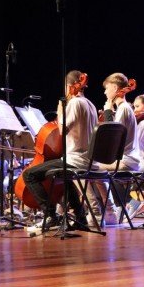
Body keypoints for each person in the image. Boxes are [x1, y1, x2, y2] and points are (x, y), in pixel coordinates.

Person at [21, 70, 97, 231]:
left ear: (69, 86)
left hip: (75, 159)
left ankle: (50, 216)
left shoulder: (75, 103)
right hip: (87, 160)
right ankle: (80, 217)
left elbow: (63, 130)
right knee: (67, 180)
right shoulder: (90, 104)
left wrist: (61, 110)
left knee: (29, 174)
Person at [88, 73, 137, 225]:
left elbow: (114, 138)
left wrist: (108, 111)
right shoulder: (124, 109)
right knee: (94, 168)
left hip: (126, 161)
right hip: (128, 159)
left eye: (107, 88)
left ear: (115, 88)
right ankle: (110, 210)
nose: (104, 92)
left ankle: (106, 211)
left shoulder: (123, 109)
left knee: (88, 169)